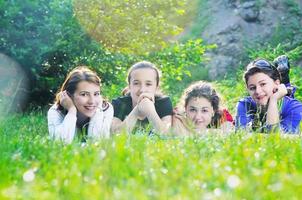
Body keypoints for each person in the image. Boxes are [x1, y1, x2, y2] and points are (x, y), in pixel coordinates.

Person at [47, 66, 113, 143]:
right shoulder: (56, 111)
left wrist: (97, 112)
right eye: (84, 94)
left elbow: (98, 143)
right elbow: (60, 143)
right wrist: (71, 111)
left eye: (96, 94)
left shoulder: (105, 109)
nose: (92, 101)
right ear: (69, 95)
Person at [235, 58, 302, 133]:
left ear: (276, 83)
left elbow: (276, 140)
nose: (257, 91)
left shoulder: (295, 108)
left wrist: (273, 101)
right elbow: (241, 136)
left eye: (263, 84)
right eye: (252, 88)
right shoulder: (245, 104)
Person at [111, 61, 173, 134]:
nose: (142, 90)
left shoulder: (163, 103)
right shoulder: (120, 103)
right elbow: (115, 135)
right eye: (136, 83)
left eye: (148, 84)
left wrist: (150, 111)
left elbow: (166, 134)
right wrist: (136, 110)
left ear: (156, 86)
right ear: (129, 86)